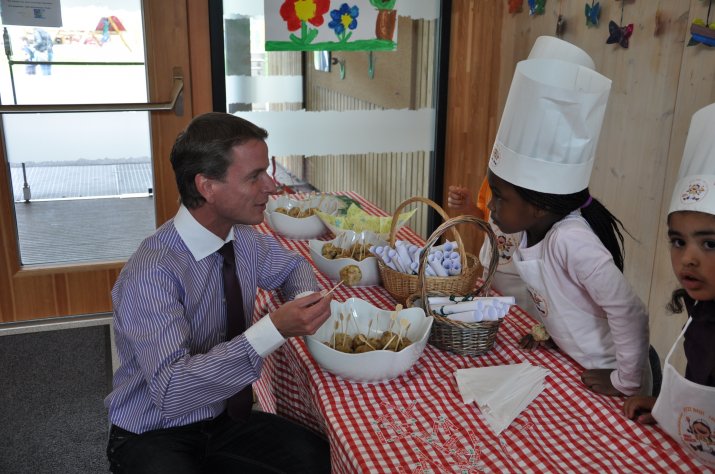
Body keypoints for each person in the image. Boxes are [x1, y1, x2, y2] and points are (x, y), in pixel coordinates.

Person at [105, 112, 333, 473]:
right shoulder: (151, 273)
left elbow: (293, 266)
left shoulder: (242, 237)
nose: (272, 186)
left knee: (323, 462)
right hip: (153, 431)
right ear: (207, 187)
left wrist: (304, 300)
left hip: (224, 419)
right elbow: (172, 393)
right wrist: (273, 329)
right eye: (255, 176)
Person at [481, 45, 652, 397]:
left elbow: (629, 310)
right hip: (577, 364)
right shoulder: (531, 231)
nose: (491, 207)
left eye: (499, 196)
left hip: (612, 374)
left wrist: (624, 381)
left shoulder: (571, 240)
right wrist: (552, 334)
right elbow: (567, 299)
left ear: (539, 206)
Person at [448, 36, 596, 321]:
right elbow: (488, 220)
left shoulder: (559, 203)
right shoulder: (502, 176)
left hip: (530, 297)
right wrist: (468, 207)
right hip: (492, 277)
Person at [624, 103, 715, 469]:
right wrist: (668, 410)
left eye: (710, 244)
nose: (687, 259)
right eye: (678, 241)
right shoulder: (701, 306)